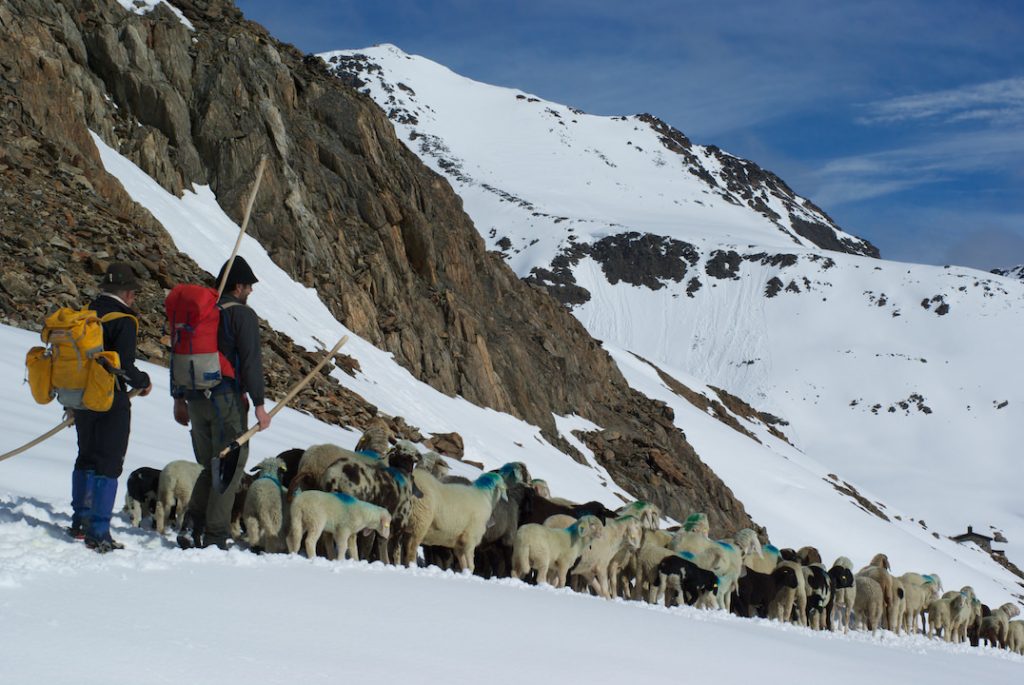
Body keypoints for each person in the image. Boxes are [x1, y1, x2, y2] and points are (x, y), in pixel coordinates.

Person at [174, 256, 271, 549]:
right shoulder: (242, 315)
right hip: (226, 399)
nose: (251, 291)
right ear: (238, 286)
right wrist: (259, 404)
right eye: (249, 286)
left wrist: (178, 399)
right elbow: (251, 362)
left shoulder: (201, 313)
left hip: (195, 397)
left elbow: (177, 352)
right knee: (231, 465)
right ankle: (216, 536)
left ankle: (193, 523)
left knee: (210, 464)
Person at [70, 262, 153, 553]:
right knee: (109, 461)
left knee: (86, 456)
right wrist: (143, 382)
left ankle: (79, 521)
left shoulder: (88, 312)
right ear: (128, 293)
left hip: (81, 396)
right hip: (109, 397)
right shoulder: (124, 319)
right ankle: (99, 530)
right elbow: (124, 365)